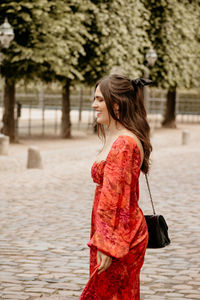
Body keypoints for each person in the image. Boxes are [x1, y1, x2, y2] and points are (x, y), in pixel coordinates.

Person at [80, 74, 152, 300]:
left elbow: (114, 200)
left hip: (117, 238)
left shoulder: (123, 143)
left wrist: (107, 245)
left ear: (116, 103)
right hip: (114, 234)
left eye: (100, 100)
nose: (94, 105)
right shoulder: (120, 137)